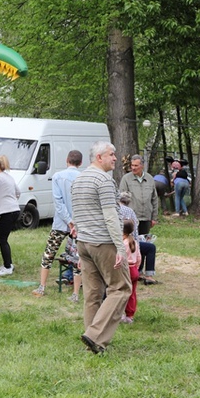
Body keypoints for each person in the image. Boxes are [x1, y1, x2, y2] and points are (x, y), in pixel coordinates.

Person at [72, 141, 131, 354]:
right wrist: (121, 248)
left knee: (93, 293)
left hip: (84, 243)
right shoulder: (104, 180)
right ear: (99, 157)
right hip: (103, 243)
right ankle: (95, 336)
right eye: (111, 154)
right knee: (121, 288)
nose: (115, 158)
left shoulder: (79, 179)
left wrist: (79, 248)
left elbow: (76, 215)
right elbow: (111, 216)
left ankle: (91, 341)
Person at [32, 150, 83, 299]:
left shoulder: (57, 177)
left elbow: (58, 202)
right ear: (80, 163)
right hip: (78, 224)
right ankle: (75, 294)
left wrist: (68, 221)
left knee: (49, 253)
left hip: (61, 223)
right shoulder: (82, 178)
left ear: (67, 160)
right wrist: (74, 222)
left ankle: (42, 286)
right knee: (78, 257)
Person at [118, 192, 158, 285]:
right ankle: (148, 275)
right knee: (150, 247)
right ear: (128, 202)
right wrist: (137, 243)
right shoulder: (129, 211)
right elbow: (134, 231)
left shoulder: (111, 210)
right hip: (127, 241)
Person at [118, 154, 158, 235]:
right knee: (132, 241)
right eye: (132, 165)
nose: (133, 168)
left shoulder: (150, 178)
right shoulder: (126, 179)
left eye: (136, 165)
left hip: (146, 218)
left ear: (142, 166)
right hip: (131, 218)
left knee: (144, 242)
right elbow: (121, 199)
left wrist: (154, 218)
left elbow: (154, 199)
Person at [121, 219, 141, 324]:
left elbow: (120, 258)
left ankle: (121, 314)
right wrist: (136, 268)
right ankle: (130, 315)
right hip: (134, 269)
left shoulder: (123, 244)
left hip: (125, 269)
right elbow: (139, 257)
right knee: (132, 293)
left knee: (122, 292)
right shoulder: (134, 242)